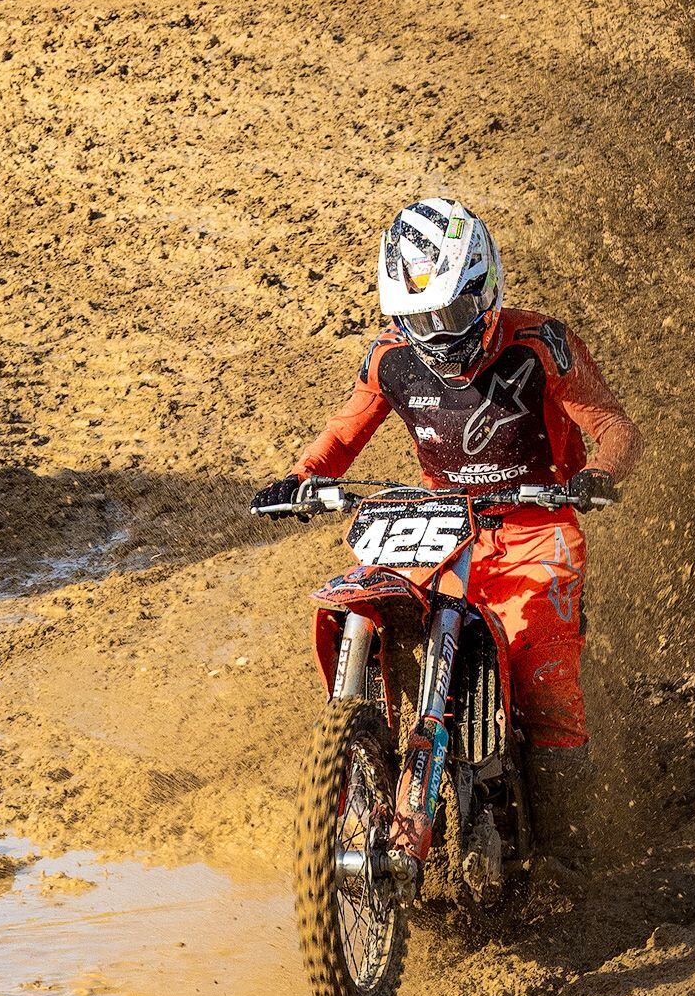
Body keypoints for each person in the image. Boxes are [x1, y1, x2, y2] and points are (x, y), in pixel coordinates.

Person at [255, 198, 641, 835]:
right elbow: (341, 439)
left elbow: (614, 428)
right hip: (438, 520)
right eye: (417, 317)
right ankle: (370, 754)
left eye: (453, 312)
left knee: (544, 683)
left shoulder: (541, 343)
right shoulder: (388, 358)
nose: (436, 332)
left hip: (536, 521)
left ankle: (573, 849)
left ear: (486, 288)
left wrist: (598, 475)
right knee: (375, 611)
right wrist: (300, 480)